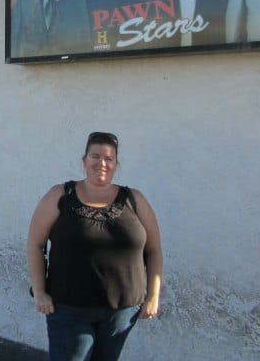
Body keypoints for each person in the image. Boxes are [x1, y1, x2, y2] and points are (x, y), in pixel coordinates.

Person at [27, 131, 163, 361]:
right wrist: (40, 292)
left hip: (121, 312)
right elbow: (35, 244)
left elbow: (154, 249)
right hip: (69, 309)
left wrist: (153, 296)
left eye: (109, 159)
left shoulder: (134, 199)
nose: (102, 163)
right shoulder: (60, 195)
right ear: (84, 161)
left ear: (116, 164)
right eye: (95, 156)